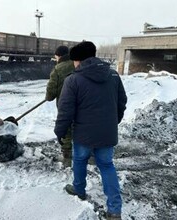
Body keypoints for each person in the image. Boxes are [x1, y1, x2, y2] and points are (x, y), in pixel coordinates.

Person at [54, 41, 127, 220]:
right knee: (107, 165)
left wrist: (60, 131)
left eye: (74, 60)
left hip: (83, 134)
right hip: (107, 133)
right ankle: (115, 210)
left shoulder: (73, 80)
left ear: (78, 60)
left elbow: (65, 110)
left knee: (79, 159)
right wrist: (112, 123)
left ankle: (79, 189)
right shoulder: (113, 75)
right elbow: (121, 103)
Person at [45, 45, 75, 167]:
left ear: (59, 56)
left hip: (65, 105)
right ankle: (87, 155)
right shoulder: (76, 64)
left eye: (56, 56)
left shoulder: (58, 69)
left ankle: (67, 158)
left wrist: (48, 96)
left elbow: (50, 93)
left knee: (66, 129)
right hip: (82, 103)